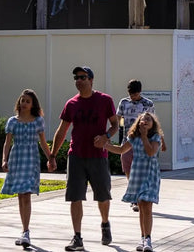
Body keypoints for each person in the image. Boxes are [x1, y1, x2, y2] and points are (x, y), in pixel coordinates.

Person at [50, 66, 119, 252]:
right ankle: (77, 237)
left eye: (82, 77)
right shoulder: (71, 104)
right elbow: (62, 130)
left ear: (91, 80)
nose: (79, 80)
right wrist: (52, 155)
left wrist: (106, 137)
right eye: (76, 78)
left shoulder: (105, 100)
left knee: (103, 196)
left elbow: (115, 124)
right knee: (75, 197)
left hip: (98, 157)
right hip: (77, 156)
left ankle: (105, 223)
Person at [101, 112, 163, 252]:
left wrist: (144, 136)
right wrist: (105, 145)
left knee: (147, 206)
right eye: (143, 119)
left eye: (148, 119)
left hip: (150, 175)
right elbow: (122, 149)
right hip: (137, 175)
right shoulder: (133, 138)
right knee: (141, 207)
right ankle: (142, 238)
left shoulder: (155, 137)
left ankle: (148, 239)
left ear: (153, 124)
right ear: (138, 123)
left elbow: (150, 152)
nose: (145, 121)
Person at [1, 88, 56, 249]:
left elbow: (43, 143)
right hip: (17, 160)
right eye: (22, 100)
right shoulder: (12, 121)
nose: (24, 103)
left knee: (26, 194)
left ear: (33, 105)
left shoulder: (38, 121)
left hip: (31, 160)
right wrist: (4, 160)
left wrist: (51, 158)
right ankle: (24, 230)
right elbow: (7, 143)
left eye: (27, 101)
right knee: (21, 195)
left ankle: (26, 232)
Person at [116, 80, 157, 212]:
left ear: (140, 92)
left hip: (143, 142)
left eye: (135, 94)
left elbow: (154, 123)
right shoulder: (124, 102)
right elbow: (117, 120)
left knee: (141, 172)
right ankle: (134, 196)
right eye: (130, 94)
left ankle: (140, 197)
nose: (133, 97)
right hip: (127, 141)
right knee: (128, 170)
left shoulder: (148, 104)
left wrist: (157, 141)